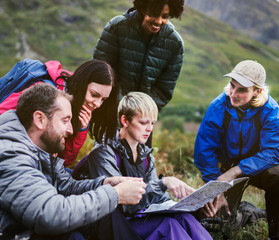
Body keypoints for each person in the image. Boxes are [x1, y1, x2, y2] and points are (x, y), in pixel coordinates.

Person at [0, 83, 146, 240]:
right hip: (16, 234)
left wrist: (106, 184)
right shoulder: (11, 154)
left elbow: (65, 186)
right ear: (40, 119)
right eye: (65, 120)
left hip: (33, 228)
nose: (70, 130)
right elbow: (50, 215)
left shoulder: (40, 150)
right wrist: (115, 195)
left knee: (104, 213)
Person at [73, 92, 213, 239]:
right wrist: (163, 183)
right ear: (125, 121)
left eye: (152, 123)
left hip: (138, 217)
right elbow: (121, 202)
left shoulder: (145, 155)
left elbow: (157, 200)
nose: (149, 129)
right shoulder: (104, 152)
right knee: (168, 225)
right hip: (115, 224)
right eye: (143, 122)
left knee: (184, 218)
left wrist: (193, 206)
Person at [194, 60, 279, 239]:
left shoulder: (271, 110)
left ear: (257, 91)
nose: (233, 93)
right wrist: (217, 188)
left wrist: (235, 171)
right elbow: (204, 152)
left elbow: (272, 152)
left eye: (242, 90)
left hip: (258, 165)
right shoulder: (218, 106)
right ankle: (250, 214)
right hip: (224, 167)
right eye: (232, 86)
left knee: (278, 176)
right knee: (215, 221)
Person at [0, 59, 118, 167]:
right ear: (82, 83)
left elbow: (63, 162)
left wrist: (81, 130)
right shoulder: (45, 91)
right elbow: (3, 113)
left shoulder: (80, 108)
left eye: (103, 99)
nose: (97, 104)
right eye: (94, 95)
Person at [93, 0, 184, 112]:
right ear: (143, 8)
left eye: (165, 16)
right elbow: (100, 71)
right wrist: (118, 107)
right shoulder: (117, 27)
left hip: (141, 120)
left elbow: (164, 90)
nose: (159, 21)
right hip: (107, 113)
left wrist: (140, 112)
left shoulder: (175, 43)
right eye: (154, 14)